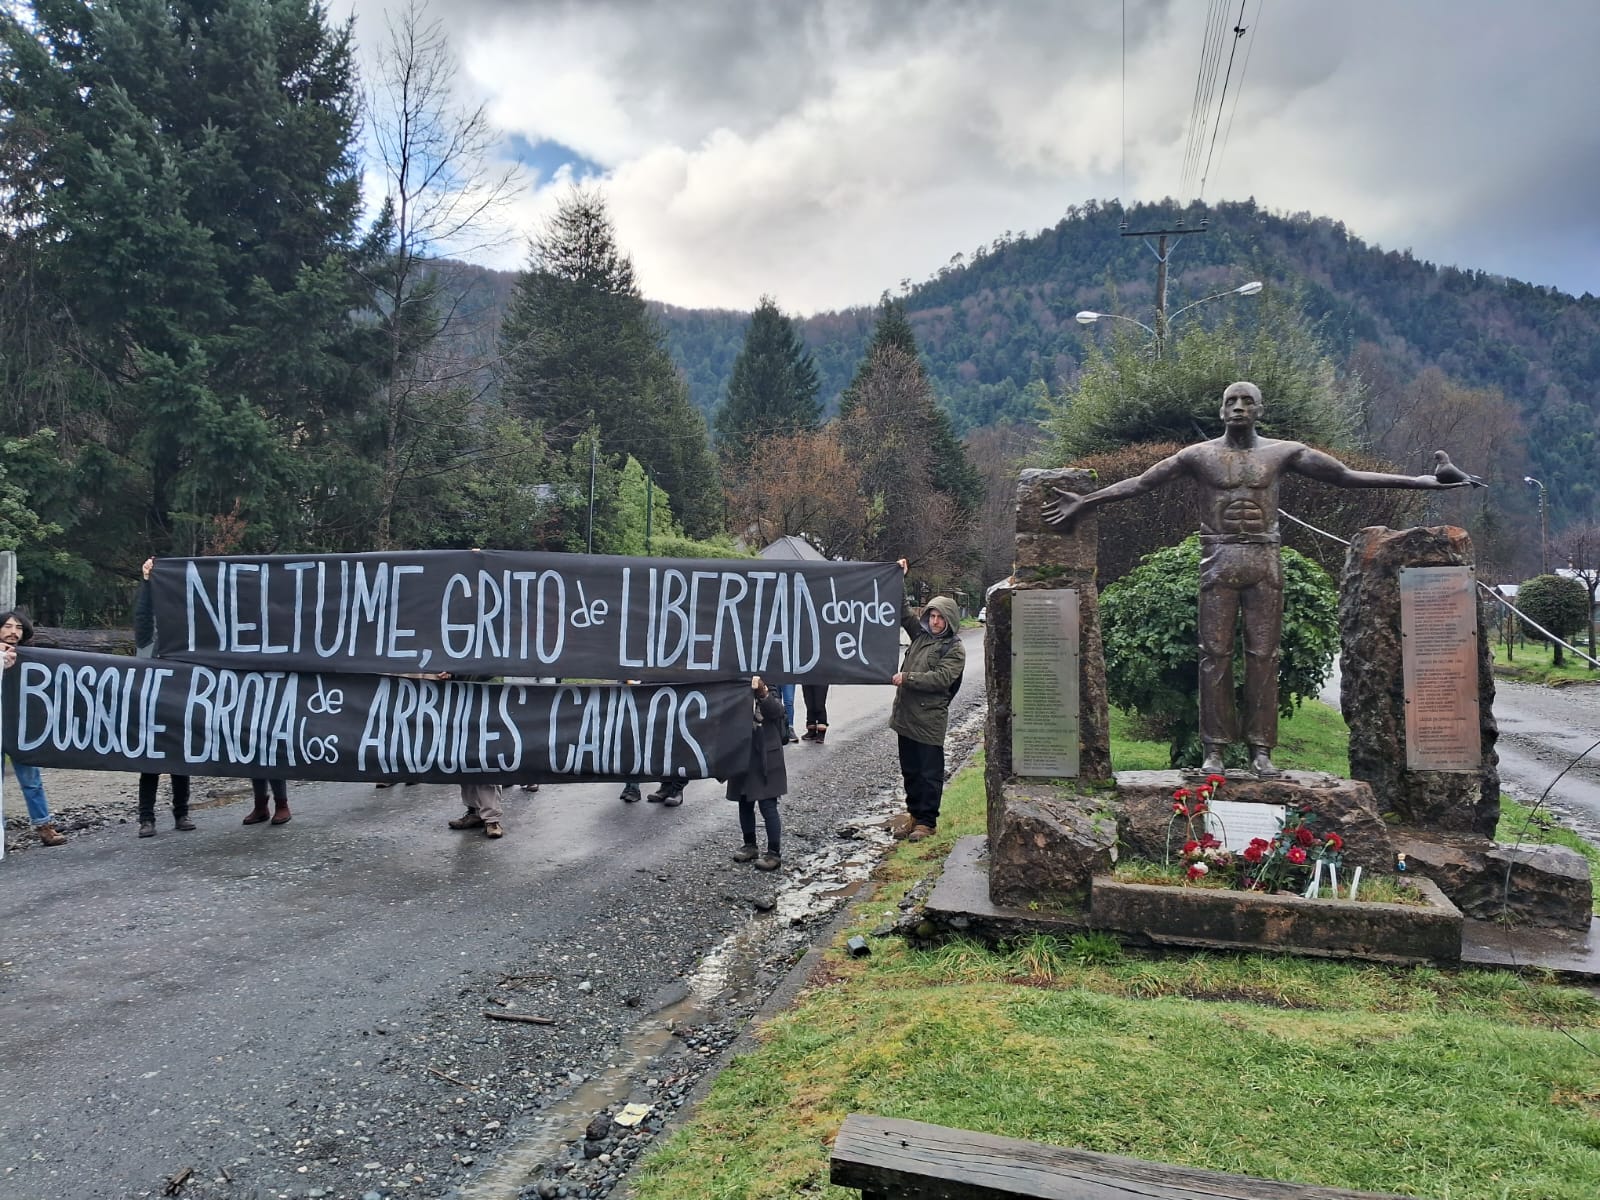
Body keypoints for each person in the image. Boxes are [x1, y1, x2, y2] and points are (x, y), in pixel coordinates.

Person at [1043, 381, 1466, 776]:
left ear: (1260, 409)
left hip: (1265, 557)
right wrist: (1087, 501)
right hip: (1218, 556)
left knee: (1264, 655)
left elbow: (1344, 476)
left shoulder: (1282, 453)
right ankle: (1215, 750)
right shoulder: (1199, 456)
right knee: (1214, 654)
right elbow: (1141, 483)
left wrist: (1422, 481)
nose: (1239, 407)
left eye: (1247, 401)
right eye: (1232, 401)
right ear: (1221, 410)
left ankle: (1262, 750)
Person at [889, 562, 965, 843]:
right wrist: (899, 578)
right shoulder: (919, 636)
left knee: (929, 773)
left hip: (930, 720)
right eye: (931, 615)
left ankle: (927, 822)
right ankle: (913, 814)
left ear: (949, 620)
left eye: (940, 617)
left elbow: (941, 679)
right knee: (909, 770)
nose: (934, 621)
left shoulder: (954, 649)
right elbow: (902, 611)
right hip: (905, 717)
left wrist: (906, 678)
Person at [134, 558, 193, 838]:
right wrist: (147, 583)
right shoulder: (146, 642)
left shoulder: (186, 647)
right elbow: (143, 615)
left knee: (180, 764)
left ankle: (182, 814)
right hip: (150, 712)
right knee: (150, 766)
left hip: (178, 710)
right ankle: (146, 819)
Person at [1, 610, 67, 846]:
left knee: (31, 779)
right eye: (8, 626)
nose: (13, 632)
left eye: (18, 627)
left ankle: (43, 825)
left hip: (20, 729)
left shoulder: (30, 657)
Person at [727, 675, 787, 871]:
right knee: (744, 801)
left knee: (768, 805)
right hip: (741, 749)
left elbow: (777, 711)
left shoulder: (768, 677)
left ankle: (774, 853)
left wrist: (762, 692)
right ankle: (750, 845)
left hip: (765, 751)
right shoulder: (733, 678)